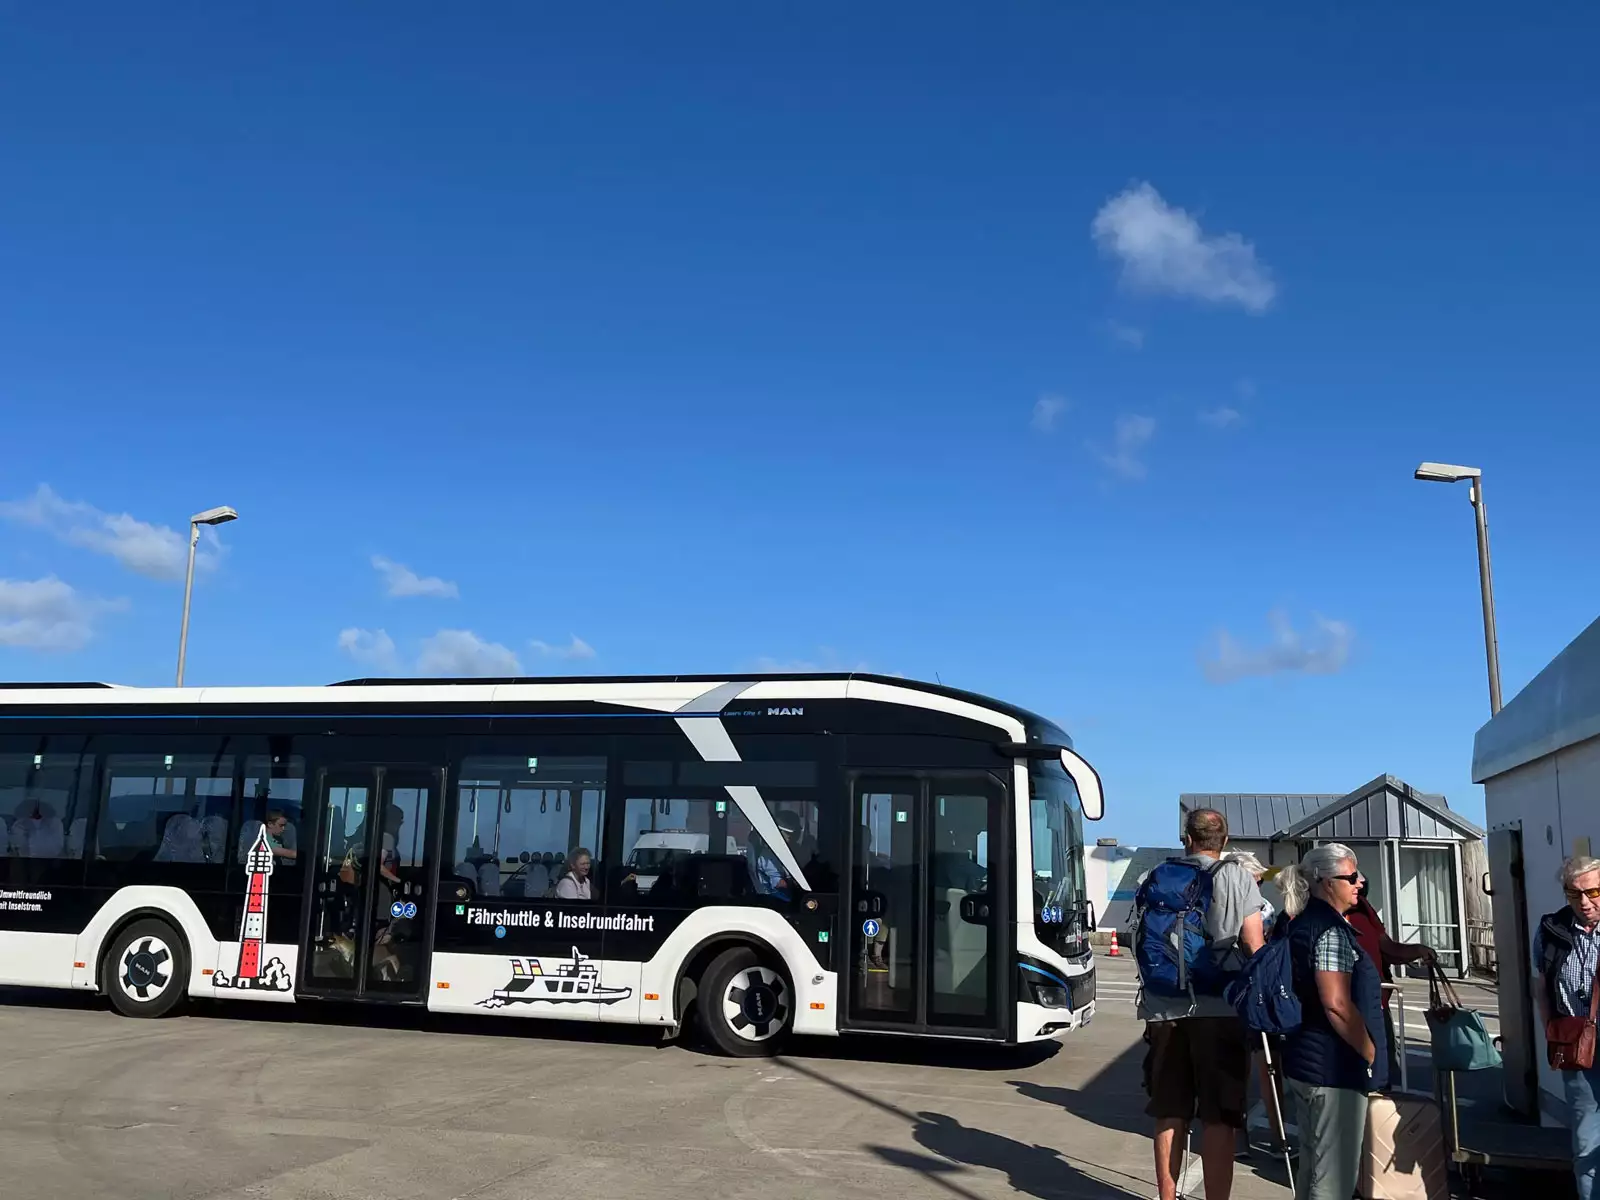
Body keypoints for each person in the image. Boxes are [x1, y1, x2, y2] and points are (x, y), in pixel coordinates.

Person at [1139, 808, 1266, 1200]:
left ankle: (1166, 1195)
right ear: (1224, 841)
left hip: (1163, 1008)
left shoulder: (1156, 876)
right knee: (1219, 1116)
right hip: (1220, 1010)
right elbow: (1253, 944)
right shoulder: (1237, 876)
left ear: (1187, 839)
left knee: (1169, 1108)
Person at [1277, 843, 1387, 1200]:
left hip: (1303, 1061)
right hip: (1333, 1070)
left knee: (1311, 1169)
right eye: (1351, 877)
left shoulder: (1301, 923)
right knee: (1333, 1181)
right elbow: (1336, 1003)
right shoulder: (1331, 931)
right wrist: (1368, 1050)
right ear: (1326, 883)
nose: (1360, 883)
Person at [1535, 854, 1600, 1200]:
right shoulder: (1551, 928)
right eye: (1574, 895)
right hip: (1578, 1048)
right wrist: (1551, 1029)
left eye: (1593, 892)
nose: (1585, 903)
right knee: (1586, 1141)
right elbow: (1542, 985)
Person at [1344, 875, 1434, 1089]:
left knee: (1379, 1068)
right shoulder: (1343, 916)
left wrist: (1417, 951)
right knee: (1372, 1068)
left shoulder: (1363, 911)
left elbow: (1387, 949)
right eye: (1353, 879)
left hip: (1372, 998)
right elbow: (1389, 950)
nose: (1360, 883)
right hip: (1359, 1001)